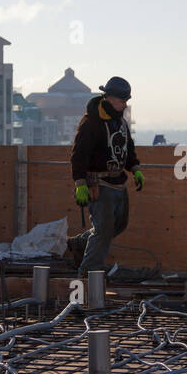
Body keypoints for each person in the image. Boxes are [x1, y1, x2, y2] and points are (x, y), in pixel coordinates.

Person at [68, 76, 143, 277]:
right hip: (99, 184)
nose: (124, 105)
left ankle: (80, 242)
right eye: (121, 101)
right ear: (109, 98)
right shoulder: (91, 122)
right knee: (103, 230)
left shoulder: (120, 122)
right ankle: (88, 275)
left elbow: (127, 148)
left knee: (119, 225)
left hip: (118, 182)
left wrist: (135, 168)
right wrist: (80, 184)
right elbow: (79, 155)